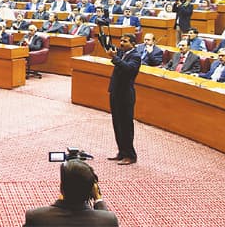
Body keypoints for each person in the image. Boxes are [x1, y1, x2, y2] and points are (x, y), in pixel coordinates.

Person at [23, 160, 118, 226]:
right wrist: (98, 199)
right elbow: (103, 220)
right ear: (92, 190)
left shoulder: (36, 217)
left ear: (61, 188)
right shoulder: (108, 220)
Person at [106, 33, 141, 165]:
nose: (121, 43)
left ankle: (130, 155)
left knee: (126, 126)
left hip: (126, 95)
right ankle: (121, 152)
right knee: (117, 124)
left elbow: (128, 69)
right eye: (120, 40)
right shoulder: (122, 53)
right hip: (115, 92)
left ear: (132, 43)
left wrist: (114, 57)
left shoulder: (136, 56)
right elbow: (108, 45)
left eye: (125, 41)